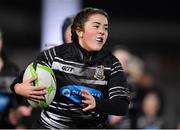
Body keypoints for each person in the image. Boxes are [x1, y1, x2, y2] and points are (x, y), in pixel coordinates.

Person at [10, 7, 130, 129]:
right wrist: (19, 88)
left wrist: (97, 103)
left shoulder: (112, 64)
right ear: (79, 31)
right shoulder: (52, 55)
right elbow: (19, 81)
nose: (102, 32)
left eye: (105, 28)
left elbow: (122, 106)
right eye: (96, 26)